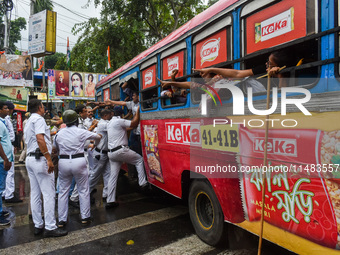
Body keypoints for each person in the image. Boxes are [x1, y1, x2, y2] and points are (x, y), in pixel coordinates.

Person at [24, 99, 68, 237]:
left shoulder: (29, 121)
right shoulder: (39, 119)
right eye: (43, 106)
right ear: (39, 107)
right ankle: (50, 227)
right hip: (40, 159)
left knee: (36, 194)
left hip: (31, 159)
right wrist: (48, 158)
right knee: (49, 194)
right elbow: (40, 139)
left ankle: (38, 225)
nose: (44, 109)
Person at [54, 110, 101, 227]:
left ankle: (62, 220)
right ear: (76, 120)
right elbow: (98, 136)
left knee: (63, 192)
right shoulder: (81, 131)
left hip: (63, 161)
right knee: (83, 190)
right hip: (79, 161)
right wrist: (95, 144)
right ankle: (85, 217)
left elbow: (55, 149)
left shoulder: (59, 133)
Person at [106, 106, 148, 209]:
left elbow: (129, 127)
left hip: (111, 153)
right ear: (121, 115)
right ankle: (143, 183)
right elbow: (133, 124)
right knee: (139, 160)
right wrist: (137, 111)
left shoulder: (111, 123)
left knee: (113, 177)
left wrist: (130, 118)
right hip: (120, 151)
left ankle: (110, 200)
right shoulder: (119, 121)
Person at [88, 109, 112, 203]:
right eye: (110, 114)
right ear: (105, 115)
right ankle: (86, 194)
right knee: (95, 175)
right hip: (100, 153)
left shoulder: (104, 122)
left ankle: (106, 194)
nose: (111, 116)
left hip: (104, 153)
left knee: (107, 174)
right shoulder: (103, 124)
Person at [2, 102, 22, 203]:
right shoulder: (4, 120)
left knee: (6, 173)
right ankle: (9, 194)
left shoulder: (6, 119)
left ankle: (5, 193)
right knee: (9, 172)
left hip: (8, 146)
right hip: (6, 149)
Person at [0, 101, 13, 226]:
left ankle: (0, 210)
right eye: (5, 108)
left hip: (4, 159)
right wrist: (5, 159)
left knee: (1, 187)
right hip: (1, 161)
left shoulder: (2, 122)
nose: (7, 110)